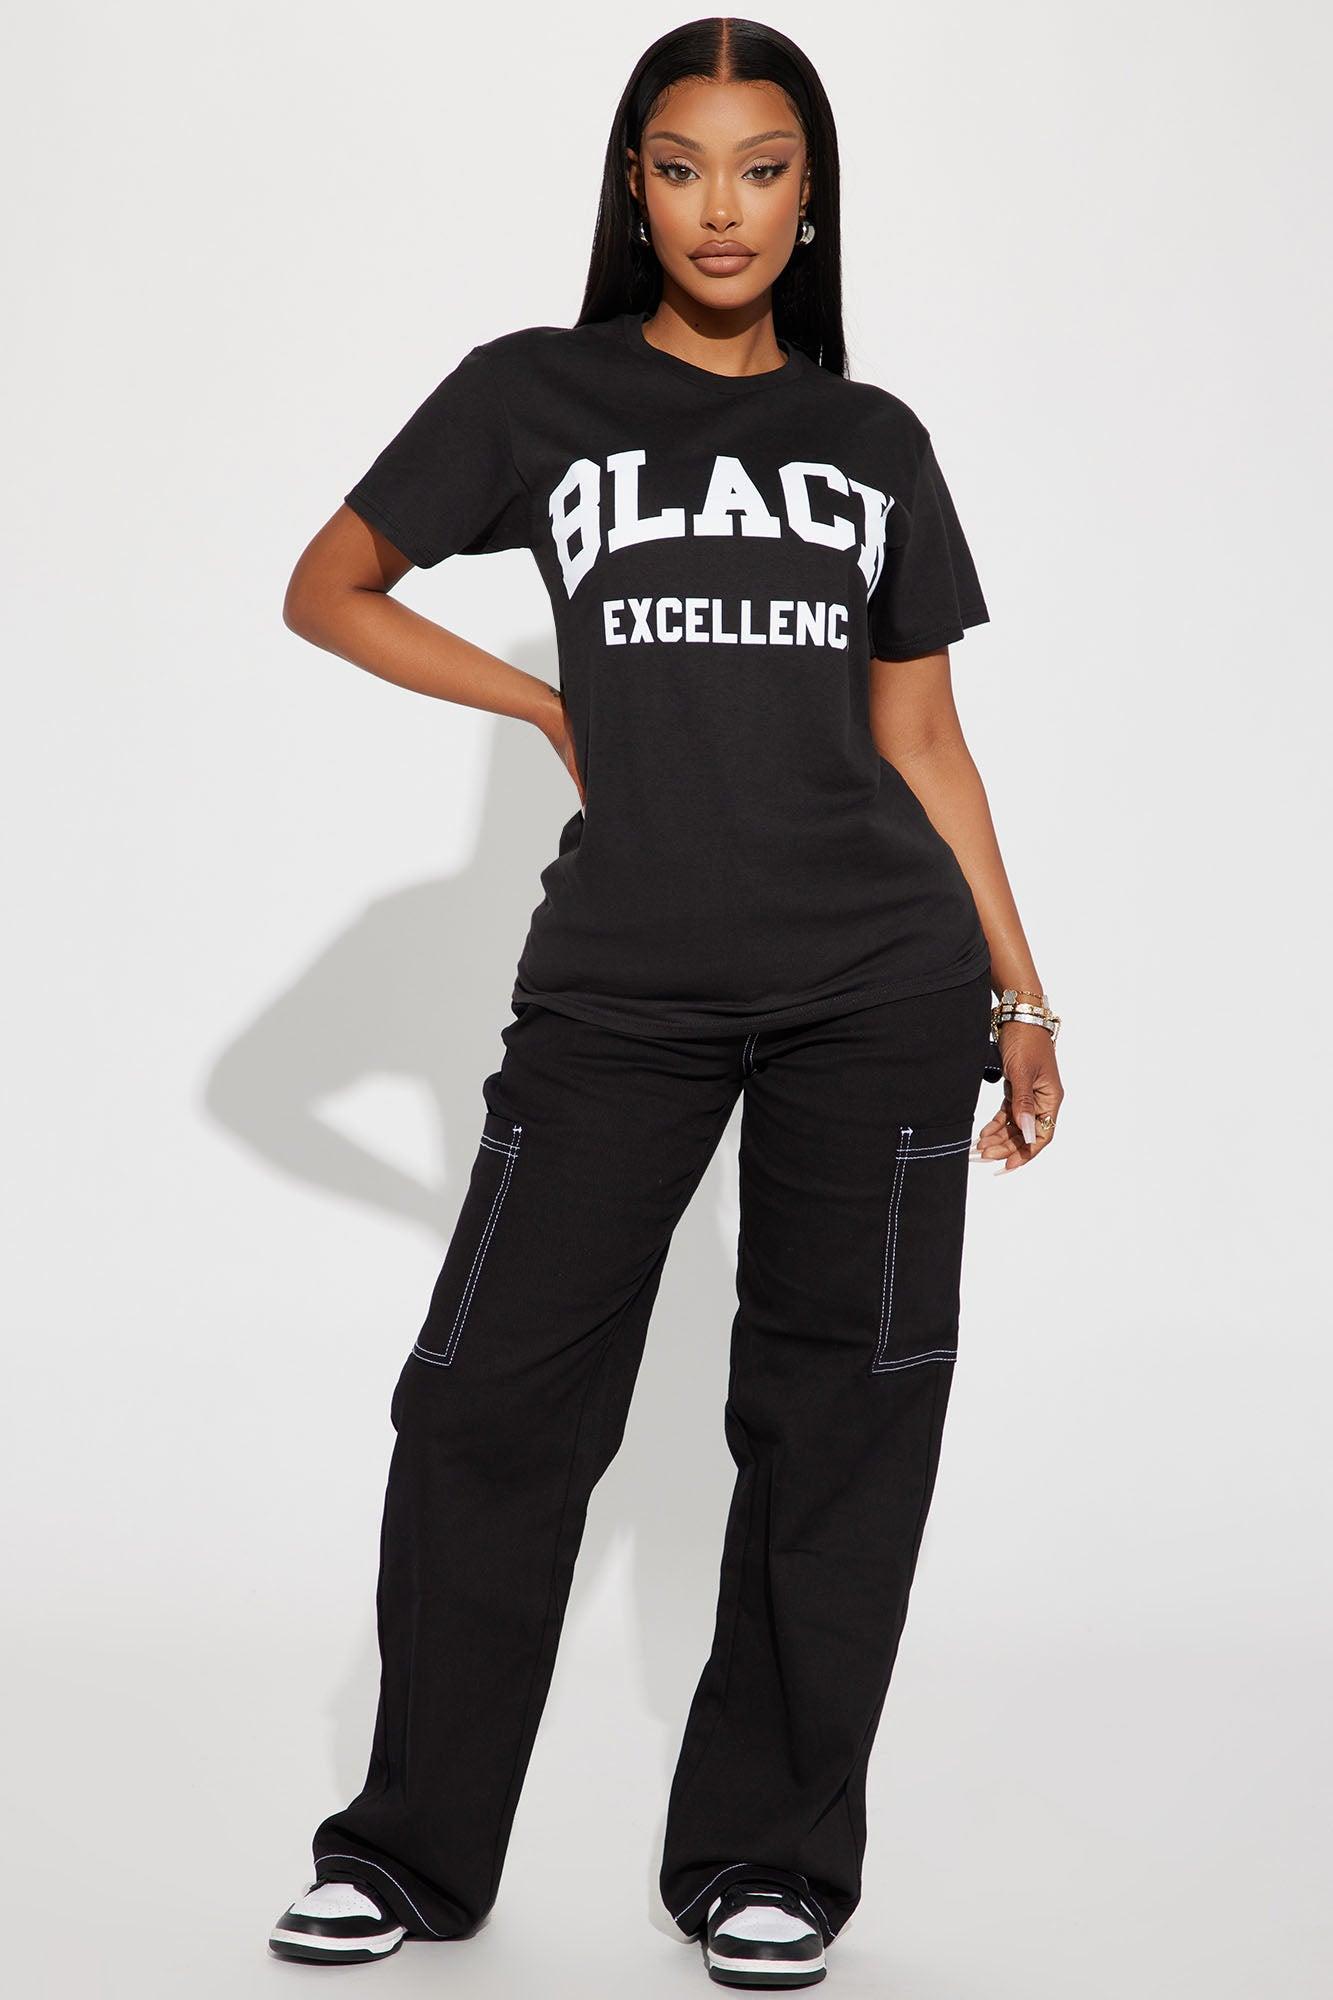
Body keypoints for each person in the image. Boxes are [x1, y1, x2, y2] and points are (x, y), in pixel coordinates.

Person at [269, 15, 1064, 1989]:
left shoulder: (871, 442)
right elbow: (328, 584)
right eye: (685, 164)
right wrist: (542, 700)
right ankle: (406, 1852)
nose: (724, 205)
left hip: (879, 985)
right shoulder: (532, 396)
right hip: (618, 987)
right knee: (487, 1402)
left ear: (810, 199)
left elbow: (924, 741)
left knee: (841, 1415)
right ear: (634, 187)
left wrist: (1022, 995)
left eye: (763, 167)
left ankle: (767, 1862)